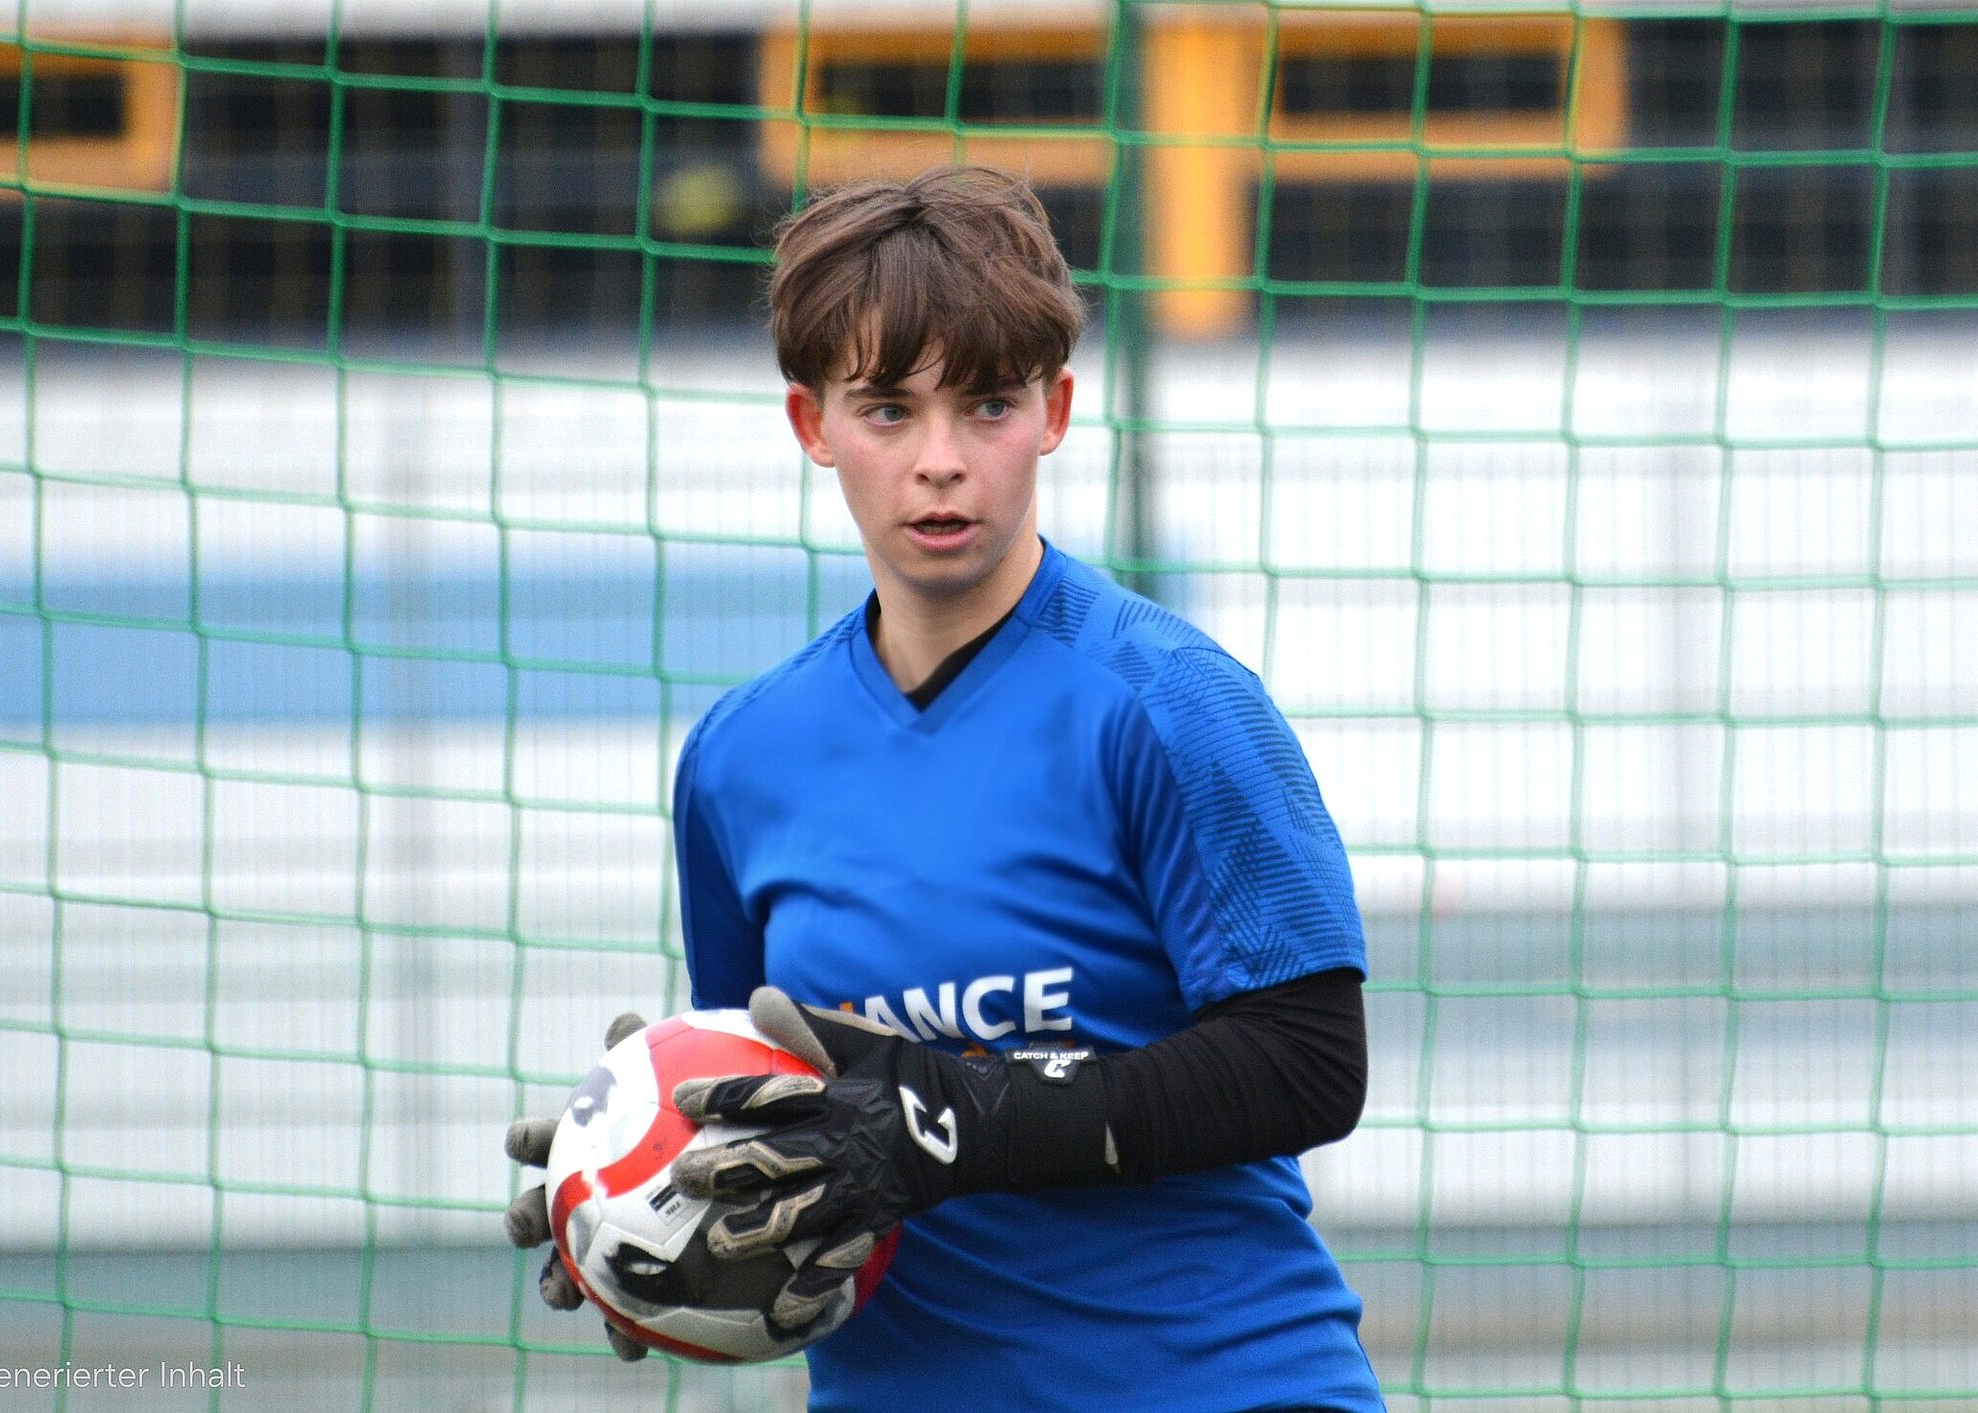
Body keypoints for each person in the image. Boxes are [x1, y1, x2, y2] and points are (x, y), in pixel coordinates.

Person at [506, 164, 1381, 1411]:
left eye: (987, 405)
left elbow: (1308, 1064)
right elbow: (788, 1107)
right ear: (811, 424)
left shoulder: (1170, 704)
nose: (941, 463)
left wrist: (960, 1119)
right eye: (886, 410)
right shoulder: (742, 759)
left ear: (1055, 410)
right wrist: (641, 1194)